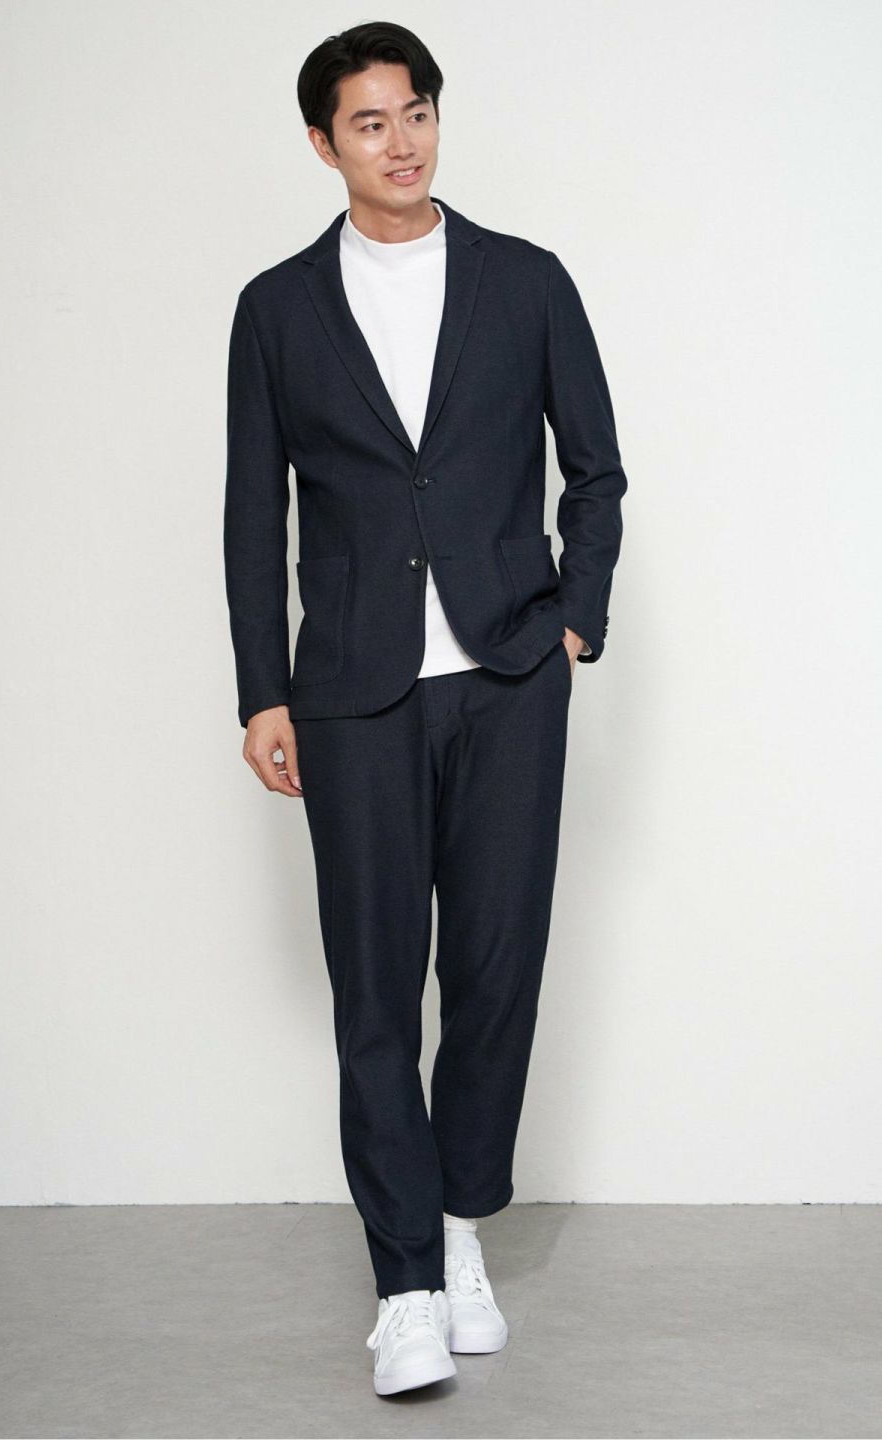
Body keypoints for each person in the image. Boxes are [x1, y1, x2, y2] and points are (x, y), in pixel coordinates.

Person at [224, 20, 629, 1397]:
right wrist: (263, 691)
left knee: (499, 971)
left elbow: (596, 470)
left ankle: (457, 1230)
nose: (401, 143)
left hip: (509, 678)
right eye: (370, 122)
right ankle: (404, 1286)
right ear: (322, 144)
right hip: (352, 692)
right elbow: (252, 515)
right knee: (376, 984)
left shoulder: (526, 281)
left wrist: (574, 617)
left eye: (416, 114)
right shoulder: (277, 310)